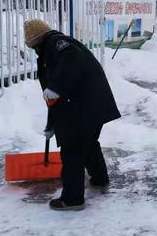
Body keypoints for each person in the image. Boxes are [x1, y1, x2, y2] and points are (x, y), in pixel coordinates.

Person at [24, 19, 121, 211]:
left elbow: (70, 66)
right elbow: (53, 95)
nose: (34, 49)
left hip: (84, 107)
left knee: (72, 150)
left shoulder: (57, 45)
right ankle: (100, 179)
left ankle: (72, 199)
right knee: (89, 143)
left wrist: (56, 88)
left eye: (33, 46)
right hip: (92, 106)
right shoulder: (51, 49)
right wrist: (51, 124)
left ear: (37, 41)